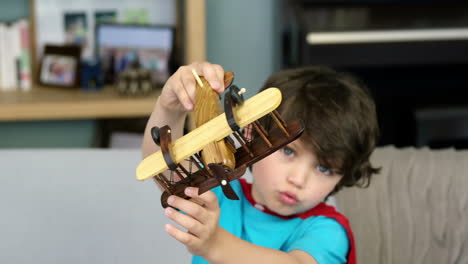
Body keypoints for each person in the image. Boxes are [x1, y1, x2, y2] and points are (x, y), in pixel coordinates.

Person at [141, 61, 380, 264]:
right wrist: (169, 108)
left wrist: (214, 245)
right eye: (288, 151)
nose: (297, 179)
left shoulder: (327, 231)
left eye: (324, 168)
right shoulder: (221, 195)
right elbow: (164, 166)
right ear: (250, 134)